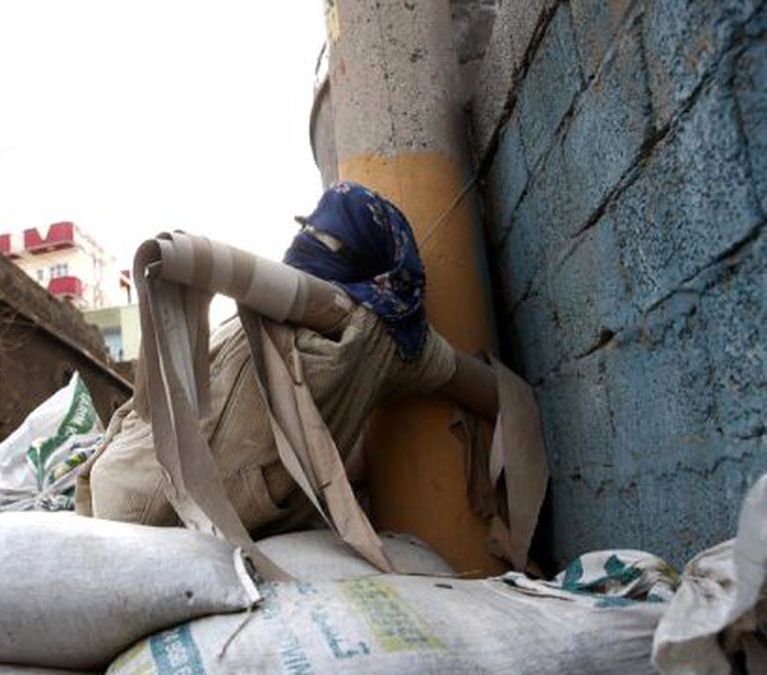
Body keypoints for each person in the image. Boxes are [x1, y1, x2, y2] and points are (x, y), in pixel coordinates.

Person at [76, 181, 498, 536]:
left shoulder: (356, 333)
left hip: (128, 495)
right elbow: (478, 385)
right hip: (152, 508)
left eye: (322, 237)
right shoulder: (388, 338)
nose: (308, 245)